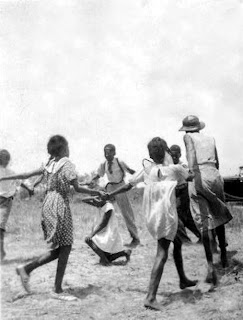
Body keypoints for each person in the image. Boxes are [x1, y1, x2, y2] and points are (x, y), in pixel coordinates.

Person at [0, 135, 104, 300]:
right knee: (66, 245)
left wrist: (4, 177)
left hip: (48, 203)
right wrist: (96, 192)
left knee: (61, 248)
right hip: (59, 204)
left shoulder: (49, 164)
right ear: (63, 149)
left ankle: (26, 269)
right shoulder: (67, 164)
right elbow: (76, 188)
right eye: (67, 147)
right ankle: (56, 290)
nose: (69, 150)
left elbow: (25, 174)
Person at [105, 137, 197, 311]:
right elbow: (191, 176)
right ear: (166, 152)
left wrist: (111, 194)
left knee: (176, 243)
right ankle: (150, 297)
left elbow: (128, 185)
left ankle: (183, 279)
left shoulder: (148, 170)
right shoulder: (175, 169)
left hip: (154, 215)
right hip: (167, 216)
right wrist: (189, 166)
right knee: (162, 253)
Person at [179, 115, 232, 286]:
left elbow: (191, 153)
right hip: (214, 174)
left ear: (187, 128)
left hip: (199, 174)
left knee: (204, 221)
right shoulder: (210, 138)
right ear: (199, 127)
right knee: (218, 214)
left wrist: (191, 172)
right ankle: (224, 254)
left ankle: (210, 266)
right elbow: (217, 161)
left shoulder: (187, 137)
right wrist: (214, 177)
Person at [89, 144, 140, 248]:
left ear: (114, 153)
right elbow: (99, 174)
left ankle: (135, 238)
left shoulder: (119, 162)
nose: (107, 155)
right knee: (104, 209)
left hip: (120, 186)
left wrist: (141, 177)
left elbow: (130, 171)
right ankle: (97, 237)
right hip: (110, 187)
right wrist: (92, 180)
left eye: (109, 152)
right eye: (105, 152)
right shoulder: (104, 164)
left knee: (127, 213)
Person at [0, 149, 33, 261]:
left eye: (6, 158)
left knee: (0, 226)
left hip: (6, 201)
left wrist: (29, 189)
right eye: (4, 157)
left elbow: (20, 181)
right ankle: (2, 251)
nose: (6, 160)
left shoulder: (10, 172)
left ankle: (1, 252)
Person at [83, 194, 132, 266]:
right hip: (103, 231)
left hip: (109, 232)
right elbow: (83, 199)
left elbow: (103, 224)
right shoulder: (99, 204)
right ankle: (124, 252)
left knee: (88, 239)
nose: (95, 202)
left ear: (104, 199)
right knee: (108, 257)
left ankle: (105, 260)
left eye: (98, 200)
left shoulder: (109, 207)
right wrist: (93, 197)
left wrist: (92, 234)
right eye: (95, 200)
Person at [170, 145, 202, 244]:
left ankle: (185, 240)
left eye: (176, 155)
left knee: (177, 216)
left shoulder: (182, 165)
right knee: (186, 218)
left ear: (179, 155)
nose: (174, 158)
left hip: (183, 191)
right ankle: (201, 235)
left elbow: (190, 177)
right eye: (172, 155)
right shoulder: (170, 165)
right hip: (175, 192)